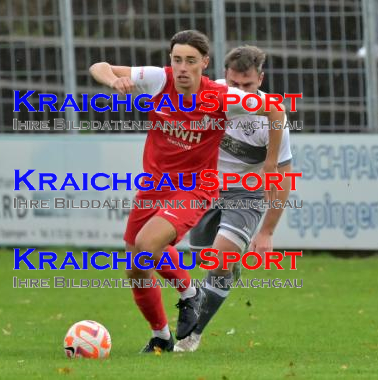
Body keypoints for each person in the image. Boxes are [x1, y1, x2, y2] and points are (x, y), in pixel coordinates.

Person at [89, 31, 286, 353]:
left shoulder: (224, 97)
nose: (182, 67)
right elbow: (100, 65)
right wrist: (113, 81)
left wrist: (271, 163)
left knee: (146, 245)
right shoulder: (157, 80)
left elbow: (275, 110)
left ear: (204, 64)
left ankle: (188, 294)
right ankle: (162, 336)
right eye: (177, 59)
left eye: (190, 61)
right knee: (136, 265)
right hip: (153, 186)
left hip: (195, 188)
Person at [174, 45, 294, 352]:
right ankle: (225, 275)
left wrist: (267, 231)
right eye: (234, 85)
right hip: (204, 188)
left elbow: (280, 176)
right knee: (207, 260)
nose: (241, 92)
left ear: (261, 79)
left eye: (249, 86)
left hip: (245, 193)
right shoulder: (207, 98)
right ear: (224, 76)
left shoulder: (272, 121)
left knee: (220, 259)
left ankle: (191, 334)